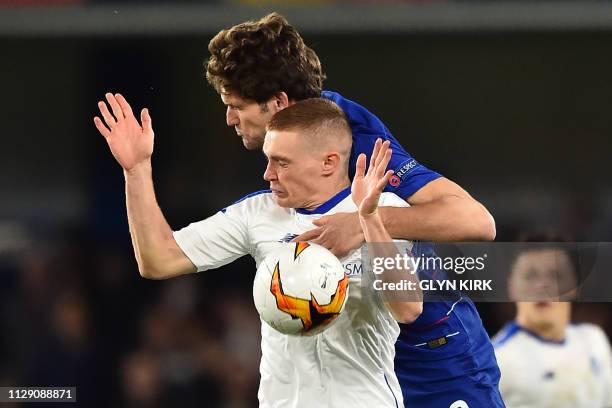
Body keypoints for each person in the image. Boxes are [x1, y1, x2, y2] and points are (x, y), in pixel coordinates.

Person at [94, 12, 504, 407]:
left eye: (236, 104)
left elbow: (477, 223)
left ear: (279, 102)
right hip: (354, 365)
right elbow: (159, 258)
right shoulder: (263, 209)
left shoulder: (353, 137)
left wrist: (362, 223)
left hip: (433, 354)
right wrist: (136, 170)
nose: (228, 118)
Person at [95, 97, 422, 406]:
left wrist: (369, 221)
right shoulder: (257, 213)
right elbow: (158, 260)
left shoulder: (385, 209)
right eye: (268, 160)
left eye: (281, 163)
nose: (268, 174)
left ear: (328, 162)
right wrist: (137, 170)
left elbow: (408, 309)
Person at [493, 236, 612, 408]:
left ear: (574, 286)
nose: (543, 285)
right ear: (511, 287)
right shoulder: (497, 360)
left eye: (555, 275)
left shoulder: (594, 339)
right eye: (530, 275)